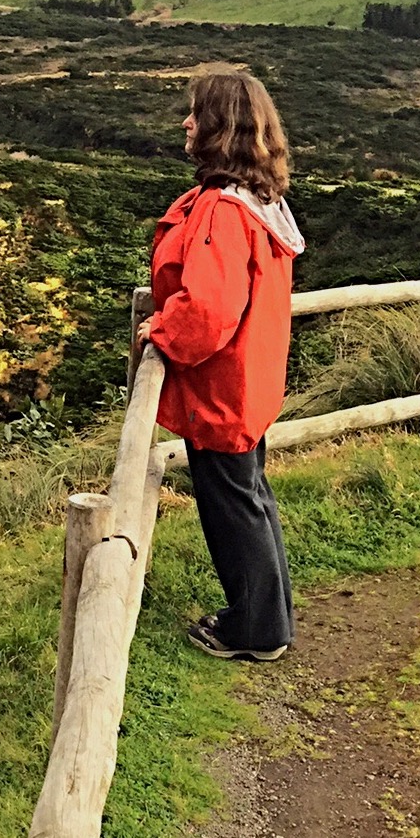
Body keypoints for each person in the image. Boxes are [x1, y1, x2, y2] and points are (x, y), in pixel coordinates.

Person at [138, 68, 306, 662]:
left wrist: (160, 330)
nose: (186, 124)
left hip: (223, 389)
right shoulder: (260, 202)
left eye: (196, 114)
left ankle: (257, 632)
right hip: (250, 382)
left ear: (221, 127)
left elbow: (208, 310)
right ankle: (268, 615)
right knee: (252, 499)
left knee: (234, 511)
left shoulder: (222, 212)